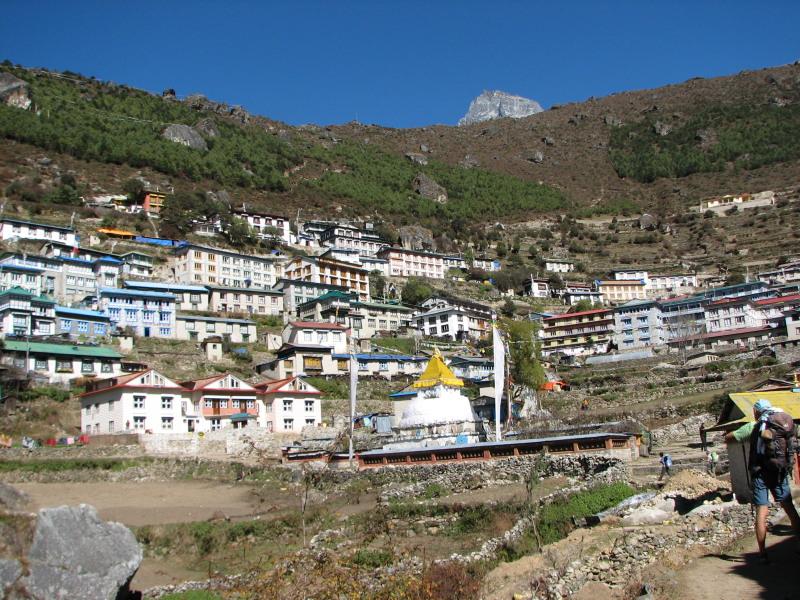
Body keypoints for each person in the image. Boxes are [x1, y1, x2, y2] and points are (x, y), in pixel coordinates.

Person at [724, 398, 800, 563]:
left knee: (761, 512)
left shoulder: (753, 426)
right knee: (790, 508)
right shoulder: (783, 422)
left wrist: (730, 432)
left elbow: (730, 438)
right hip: (779, 472)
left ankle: (762, 554)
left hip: (760, 474)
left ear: (756, 412)